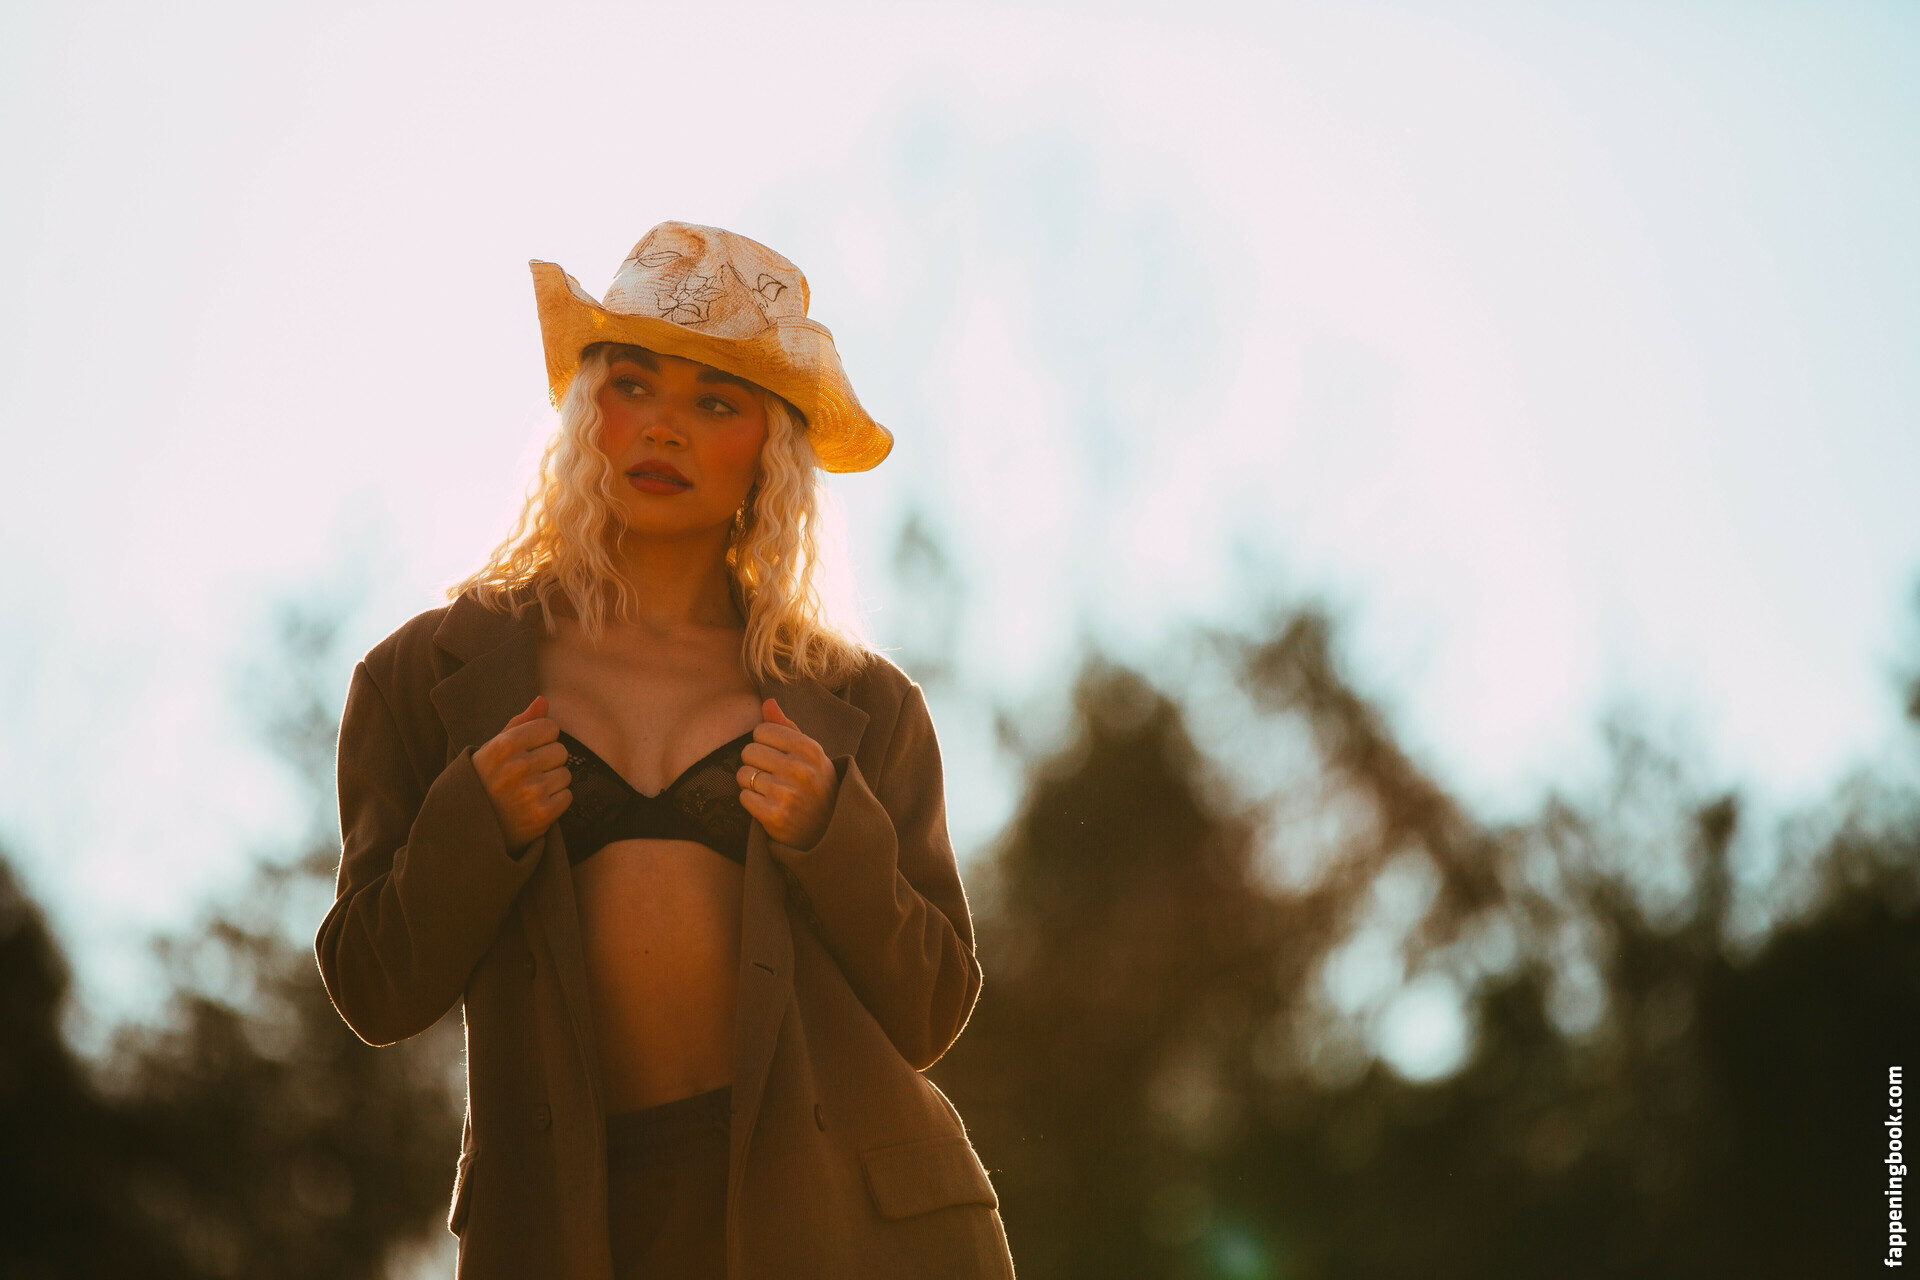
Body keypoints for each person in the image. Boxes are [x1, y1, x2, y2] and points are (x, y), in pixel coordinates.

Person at [315, 222, 1016, 1279]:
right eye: (633, 384)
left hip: (849, 1231)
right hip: (563, 1229)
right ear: (584, 408)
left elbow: (932, 1006)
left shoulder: (865, 704)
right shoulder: (421, 679)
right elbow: (373, 988)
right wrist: (474, 822)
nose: (664, 428)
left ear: (769, 450)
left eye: (716, 403)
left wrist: (832, 830)